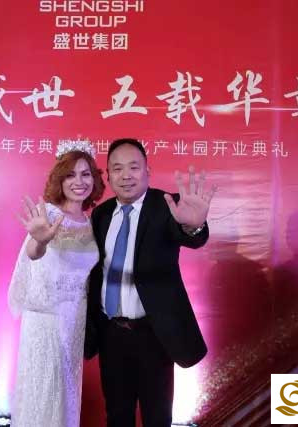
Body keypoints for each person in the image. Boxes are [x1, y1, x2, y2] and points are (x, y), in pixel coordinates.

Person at [84, 138, 216, 427]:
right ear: (108, 176)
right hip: (111, 334)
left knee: (157, 418)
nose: (126, 175)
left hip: (154, 334)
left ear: (148, 171)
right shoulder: (101, 214)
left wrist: (192, 226)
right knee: (117, 416)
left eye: (134, 167)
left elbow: (192, 236)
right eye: (117, 168)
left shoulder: (166, 206)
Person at [8, 139, 105, 427]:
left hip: (75, 321)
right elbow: (33, 253)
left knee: (66, 398)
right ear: (59, 180)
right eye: (70, 175)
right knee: (43, 396)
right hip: (46, 321)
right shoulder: (48, 215)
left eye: (86, 174)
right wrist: (39, 241)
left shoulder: (90, 221)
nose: (79, 182)